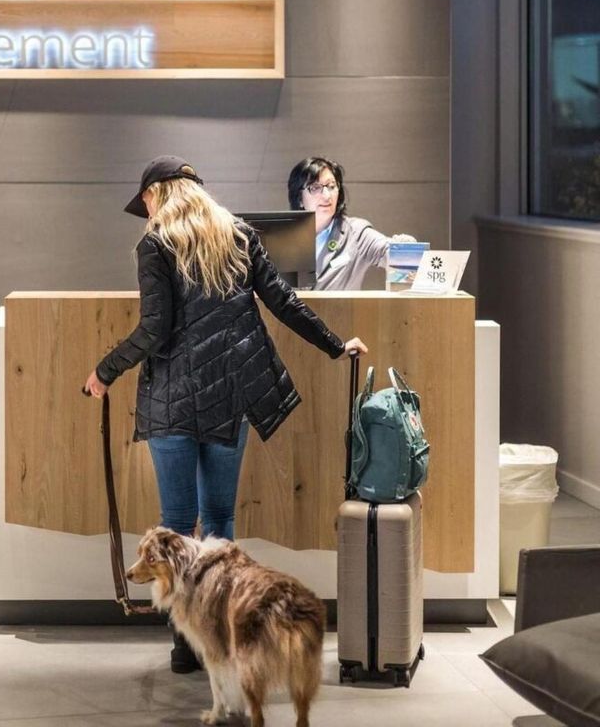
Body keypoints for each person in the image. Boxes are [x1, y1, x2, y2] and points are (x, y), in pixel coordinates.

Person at [84, 155, 367, 673]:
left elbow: (154, 328)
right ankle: (219, 633)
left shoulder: (155, 245)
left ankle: (184, 646)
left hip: (172, 398)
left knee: (175, 524)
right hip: (228, 398)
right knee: (217, 522)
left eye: (145, 198)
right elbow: (282, 300)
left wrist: (105, 371)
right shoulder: (237, 234)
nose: (144, 208)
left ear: (160, 193)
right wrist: (335, 345)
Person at [288, 156, 416, 290]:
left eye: (331, 186)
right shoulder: (283, 237)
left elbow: (392, 252)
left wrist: (406, 248)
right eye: (315, 187)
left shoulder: (355, 233)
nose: (327, 195)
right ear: (299, 198)